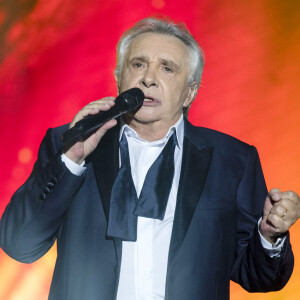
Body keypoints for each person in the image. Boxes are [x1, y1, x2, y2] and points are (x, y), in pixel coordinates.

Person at [0, 17, 299, 300]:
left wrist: (269, 236)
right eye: (138, 64)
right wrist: (71, 160)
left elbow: (261, 278)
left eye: (167, 68)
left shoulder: (232, 160)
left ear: (189, 93)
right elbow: (19, 244)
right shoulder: (71, 142)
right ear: (119, 78)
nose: (149, 79)